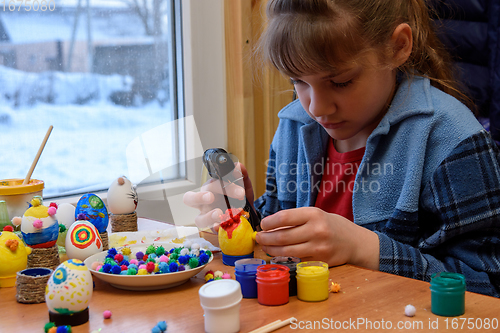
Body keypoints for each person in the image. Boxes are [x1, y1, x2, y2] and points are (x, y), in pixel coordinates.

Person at [184, 0, 500, 297]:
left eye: (341, 81)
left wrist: (364, 248)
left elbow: (487, 286)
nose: (317, 108)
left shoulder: (452, 140)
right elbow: (282, 239)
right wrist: (245, 218)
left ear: (398, 47)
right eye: (298, 81)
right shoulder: (294, 126)